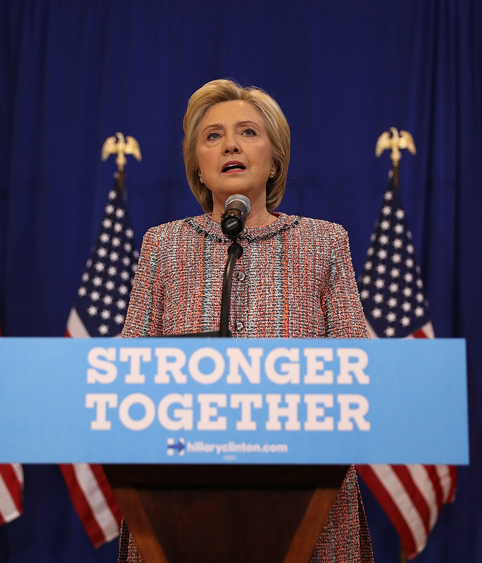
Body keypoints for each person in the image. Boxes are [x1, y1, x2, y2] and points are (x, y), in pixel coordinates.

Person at [118, 79, 374, 562]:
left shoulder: (324, 243)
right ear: (197, 163)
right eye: (212, 136)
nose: (230, 144)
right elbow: (128, 372)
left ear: (274, 159)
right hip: (182, 497)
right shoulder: (162, 246)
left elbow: (358, 371)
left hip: (307, 497)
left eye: (248, 132)